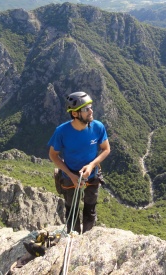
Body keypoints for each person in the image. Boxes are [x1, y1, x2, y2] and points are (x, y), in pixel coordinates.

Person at [48, 91, 110, 234]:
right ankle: (73, 236)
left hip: (92, 173)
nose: (91, 111)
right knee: (72, 210)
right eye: (86, 109)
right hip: (70, 174)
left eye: (91, 107)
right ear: (75, 114)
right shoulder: (62, 131)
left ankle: (87, 235)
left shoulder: (98, 127)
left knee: (90, 208)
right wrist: (70, 175)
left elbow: (106, 149)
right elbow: (53, 155)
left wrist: (91, 165)